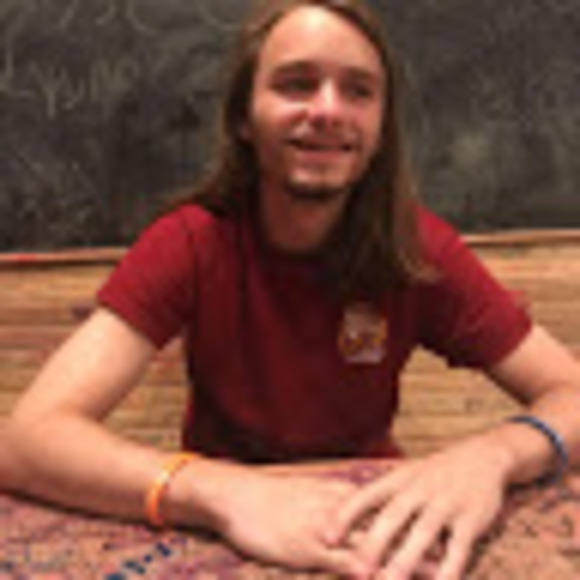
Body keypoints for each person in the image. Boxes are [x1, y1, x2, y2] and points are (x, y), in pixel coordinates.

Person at [2, 0, 580, 578]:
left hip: (364, 524)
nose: (328, 110)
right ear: (244, 118)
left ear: (381, 129)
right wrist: (221, 493)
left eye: (358, 91)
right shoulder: (189, 243)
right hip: (219, 528)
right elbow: (25, 441)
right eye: (296, 84)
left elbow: (570, 391)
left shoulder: (420, 249)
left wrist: (493, 455)